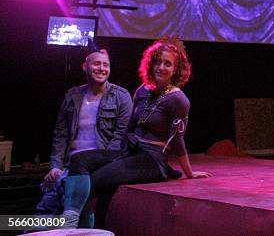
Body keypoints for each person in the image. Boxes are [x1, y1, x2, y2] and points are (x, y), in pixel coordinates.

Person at [59, 37, 210, 228]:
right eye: (157, 62)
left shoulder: (179, 100)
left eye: (167, 64)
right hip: (130, 149)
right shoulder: (143, 91)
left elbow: (177, 140)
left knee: (95, 180)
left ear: (175, 70)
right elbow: (130, 126)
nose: (161, 67)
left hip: (152, 159)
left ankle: (73, 227)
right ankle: (69, 222)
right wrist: (113, 153)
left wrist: (189, 172)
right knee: (79, 160)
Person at [38, 50, 132, 215]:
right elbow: (61, 135)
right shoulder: (73, 95)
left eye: (106, 65)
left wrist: (102, 167)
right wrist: (55, 166)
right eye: (97, 63)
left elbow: (120, 137)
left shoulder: (121, 96)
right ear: (85, 66)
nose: (101, 68)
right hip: (70, 163)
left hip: (100, 164)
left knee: (58, 199)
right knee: (46, 205)